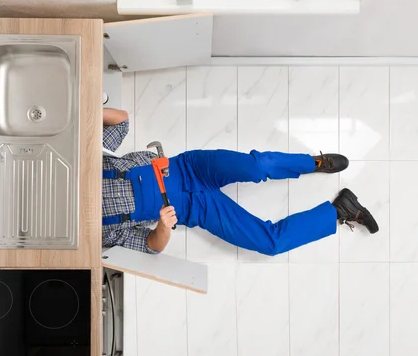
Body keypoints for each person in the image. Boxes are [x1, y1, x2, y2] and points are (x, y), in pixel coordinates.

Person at [102, 108, 378, 255]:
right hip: (195, 209)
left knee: (257, 166)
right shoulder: (95, 233)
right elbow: (152, 247)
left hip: (191, 167)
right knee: (270, 244)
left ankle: (313, 163)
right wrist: (163, 227)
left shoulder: (87, 161)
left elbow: (121, 121)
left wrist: (86, 112)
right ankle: (339, 210)